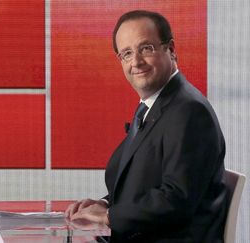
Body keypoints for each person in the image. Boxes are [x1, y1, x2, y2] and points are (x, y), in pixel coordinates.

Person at [65, 10, 227, 243]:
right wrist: (105, 204)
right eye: (127, 53)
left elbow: (177, 199)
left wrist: (109, 216)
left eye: (146, 48)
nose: (136, 62)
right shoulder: (156, 105)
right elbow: (147, 184)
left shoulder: (189, 111)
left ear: (171, 50)